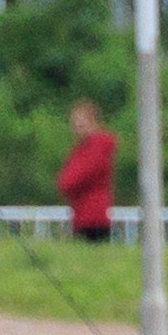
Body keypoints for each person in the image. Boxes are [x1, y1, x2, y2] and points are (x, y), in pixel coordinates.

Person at [56, 100, 117, 243]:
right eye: (74, 122)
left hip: (93, 217)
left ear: (93, 121)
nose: (76, 127)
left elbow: (77, 176)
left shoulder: (98, 145)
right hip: (81, 215)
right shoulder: (82, 147)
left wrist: (66, 182)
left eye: (80, 121)